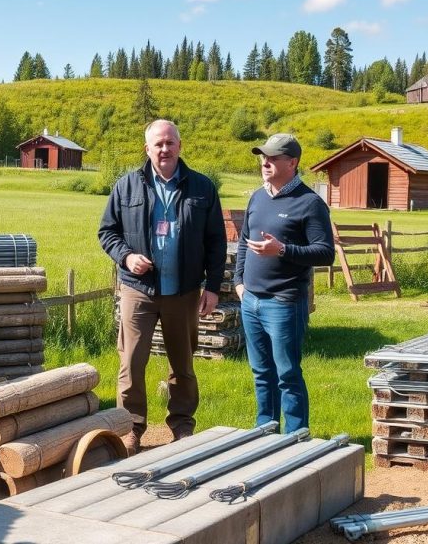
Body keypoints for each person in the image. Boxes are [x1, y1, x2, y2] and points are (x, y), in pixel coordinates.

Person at [98, 119, 227, 454]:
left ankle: (182, 426)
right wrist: (126, 257)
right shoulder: (126, 186)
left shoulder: (202, 187)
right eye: (158, 144)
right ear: (147, 149)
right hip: (137, 290)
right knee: (131, 362)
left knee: (182, 364)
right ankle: (131, 427)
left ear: (179, 146)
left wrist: (212, 287)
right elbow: (107, 232)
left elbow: (216, 241)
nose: (165, 149)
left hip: (183, 292)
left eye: (170, 142)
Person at [234, 133, 334, 433]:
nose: (265, 161)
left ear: (292, 162)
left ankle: (296, 437)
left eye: (273, 157)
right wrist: (239, 282)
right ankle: (265, 429)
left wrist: (283, 250)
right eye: (263, 156)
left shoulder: (310, 203)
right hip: (250, 300)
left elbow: (325, 252)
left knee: (287, 374)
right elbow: (243, 242)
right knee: (261, 371)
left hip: (284, 303)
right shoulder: (257, 197)